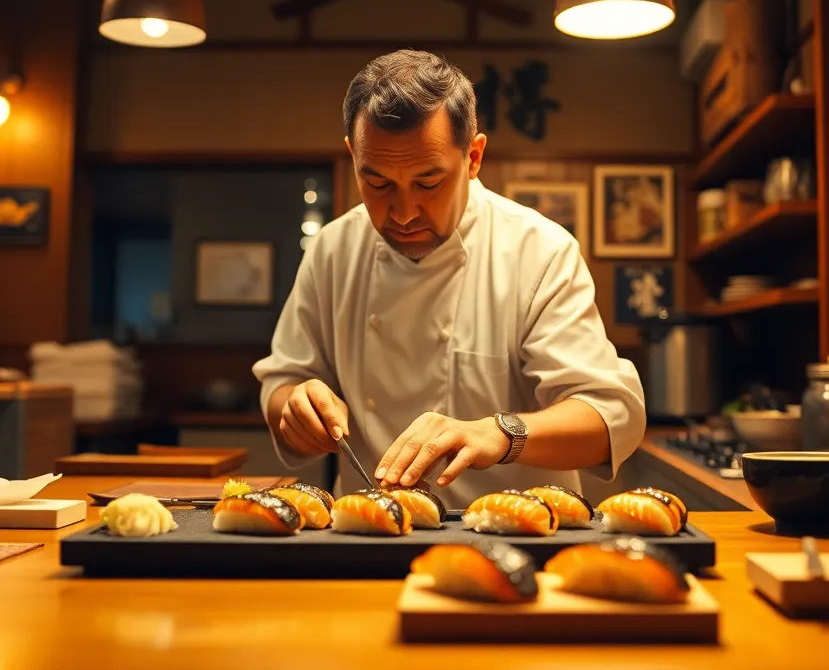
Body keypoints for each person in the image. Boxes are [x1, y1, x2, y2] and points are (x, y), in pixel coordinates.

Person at [252, 50, 646, 508]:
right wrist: (298, 408)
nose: (402, 213)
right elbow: (282, 383)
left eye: (428, 182)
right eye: (377, 183)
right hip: (367, 531)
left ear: (474, 156)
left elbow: (610, 416)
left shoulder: (538, 249)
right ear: (353, 156)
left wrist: (498, 433)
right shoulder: (333, 249)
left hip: (516, 532)